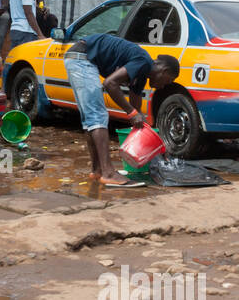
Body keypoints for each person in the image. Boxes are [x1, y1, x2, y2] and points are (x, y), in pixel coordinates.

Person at [65, 33, 179, 189]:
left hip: (79, 58)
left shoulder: (142, 75)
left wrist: (151, 138)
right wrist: (132, 113)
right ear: (164, 71)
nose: (164, 86)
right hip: (82, 58)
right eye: (168, 80)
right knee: (98, 116)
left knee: (91, 119)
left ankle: (97, 170)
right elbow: (110, 83)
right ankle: (109, 173)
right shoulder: (144, 62)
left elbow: (136, 106)